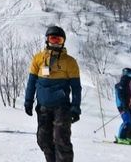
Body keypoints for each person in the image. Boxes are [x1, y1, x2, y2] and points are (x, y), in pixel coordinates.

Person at [24, 26, 81, 162]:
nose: (55, 42)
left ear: (63, 41)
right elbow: (32, 82)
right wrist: (28, 101)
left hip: (61, 107)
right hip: (43, 106)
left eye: (59, 39)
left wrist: (75, 107)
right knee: (43, 139)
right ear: (47, 40)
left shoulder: (70, 62)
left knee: (61, 139)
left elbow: (76, 88)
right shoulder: (38, 59)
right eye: (52, 38)